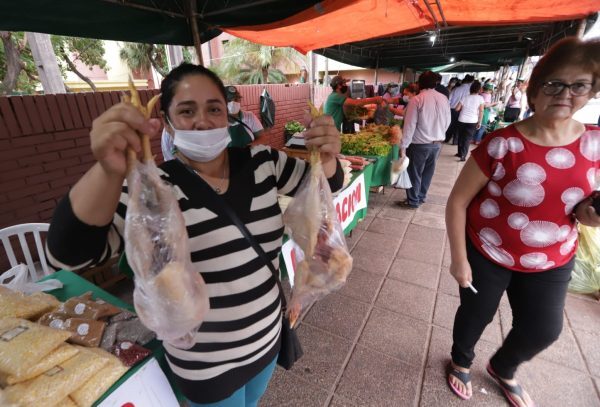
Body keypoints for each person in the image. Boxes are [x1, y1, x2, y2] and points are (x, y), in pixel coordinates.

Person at [45, 63, 344, 407]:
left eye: (214, 109)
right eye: (187, 111)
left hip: (267, 341)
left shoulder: (264, 162)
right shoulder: (153, 193)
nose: (203, 121)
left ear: (228, 114)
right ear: (167, 123)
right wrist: (107, 170)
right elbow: (68, 255)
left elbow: (326, 183)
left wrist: (327, 156)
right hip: (206, 366)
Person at [445, 37, 600, 407]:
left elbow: (577, 207)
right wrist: (459, 259)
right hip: (488, 248)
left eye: (578, 85)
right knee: (475, 314)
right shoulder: (502, 143)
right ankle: (460, 361)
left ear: (591, 90)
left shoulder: (595, 144)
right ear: (534, 89)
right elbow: (458, 201)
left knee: (544, 329)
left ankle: (503, 366)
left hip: (551, 255)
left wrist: (588, 216)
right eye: (554, 84)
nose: (565, 94)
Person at [398, 71, 451, 209]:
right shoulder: (443, 98)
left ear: (419, 83)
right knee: (428, 173)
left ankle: (413, 200)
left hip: (419, 144)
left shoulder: (417, 100)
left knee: (414, 173)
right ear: (435, 83)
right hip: (437, 144)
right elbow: (447, 121)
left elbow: (409, 126)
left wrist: (403, 147)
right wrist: (439, 134)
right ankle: (421, 197)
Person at [455, 81, 484, 161]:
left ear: (471, 89)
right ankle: (463, 155)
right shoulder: (480, 99)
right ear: (479, 90)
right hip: (472, 121)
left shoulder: (465, 97)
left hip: (462, 119)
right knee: (467, 139)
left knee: (460, 137)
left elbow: (457, 108)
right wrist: (479, 122)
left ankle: (459, 153)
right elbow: (481, 111)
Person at [446, 74, 474, 144]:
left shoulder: (456, 88)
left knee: (451, 125)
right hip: (463, 110)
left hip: (452, 109)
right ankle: (455, 141)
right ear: (471, 81)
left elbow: (449, 99)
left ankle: (447, 138)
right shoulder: (470, 91)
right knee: (459, 126)